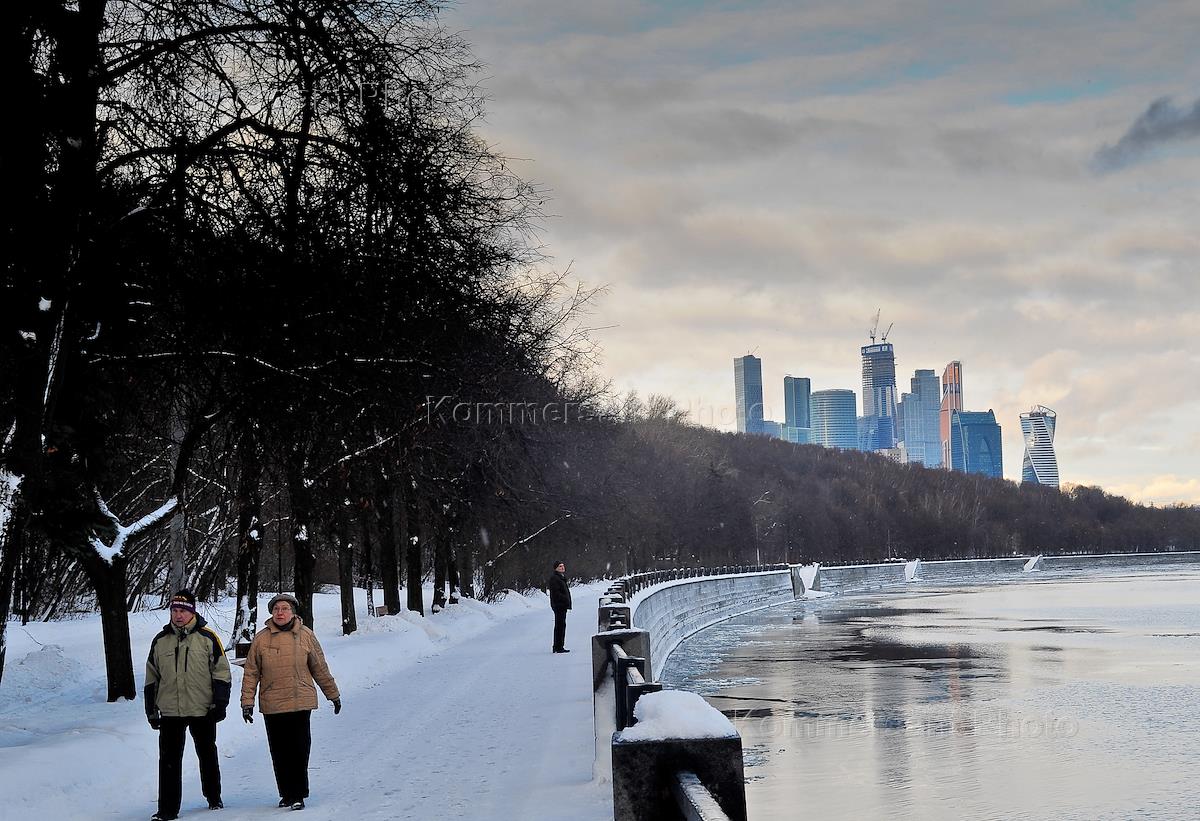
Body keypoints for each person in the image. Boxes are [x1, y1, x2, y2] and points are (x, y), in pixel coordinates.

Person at [240, 593, 342, 811]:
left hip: (300, 701)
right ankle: (286, 793)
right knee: (279, 751)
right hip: (272, 702)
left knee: (299, 749)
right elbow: (251, 672)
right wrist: (246, 702)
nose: (280, 613)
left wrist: (332, 694)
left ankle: (298, 793)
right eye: (276, 609)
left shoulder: (305, 635)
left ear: (293, 612)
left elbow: (319, 668)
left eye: (284, 608)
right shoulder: (261, 639)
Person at [144, 589, 231, 821]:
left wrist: (220, 703)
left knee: (206, 753)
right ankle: (167, 810)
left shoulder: (208, 637)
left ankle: (213, 795)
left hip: (202, 708)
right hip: (171, 710)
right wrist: (151, 710)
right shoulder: (160, 641)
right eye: (174, 610)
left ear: (192, 612)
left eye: (182, 610)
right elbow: (152, 676)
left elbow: (221, 672)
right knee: (169, 761)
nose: (178, 615)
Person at [548, 560, 572, 653]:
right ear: (556, 568)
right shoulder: (555, 578)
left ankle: (559, 646)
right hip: (559, 605)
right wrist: (565, 599)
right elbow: (556, 593)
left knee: (561, 625)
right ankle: (558, 647)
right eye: (560, 566)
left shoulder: (561, 578)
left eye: (563, 566)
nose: (562, 567)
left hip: (562, 605)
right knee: (559, 626)